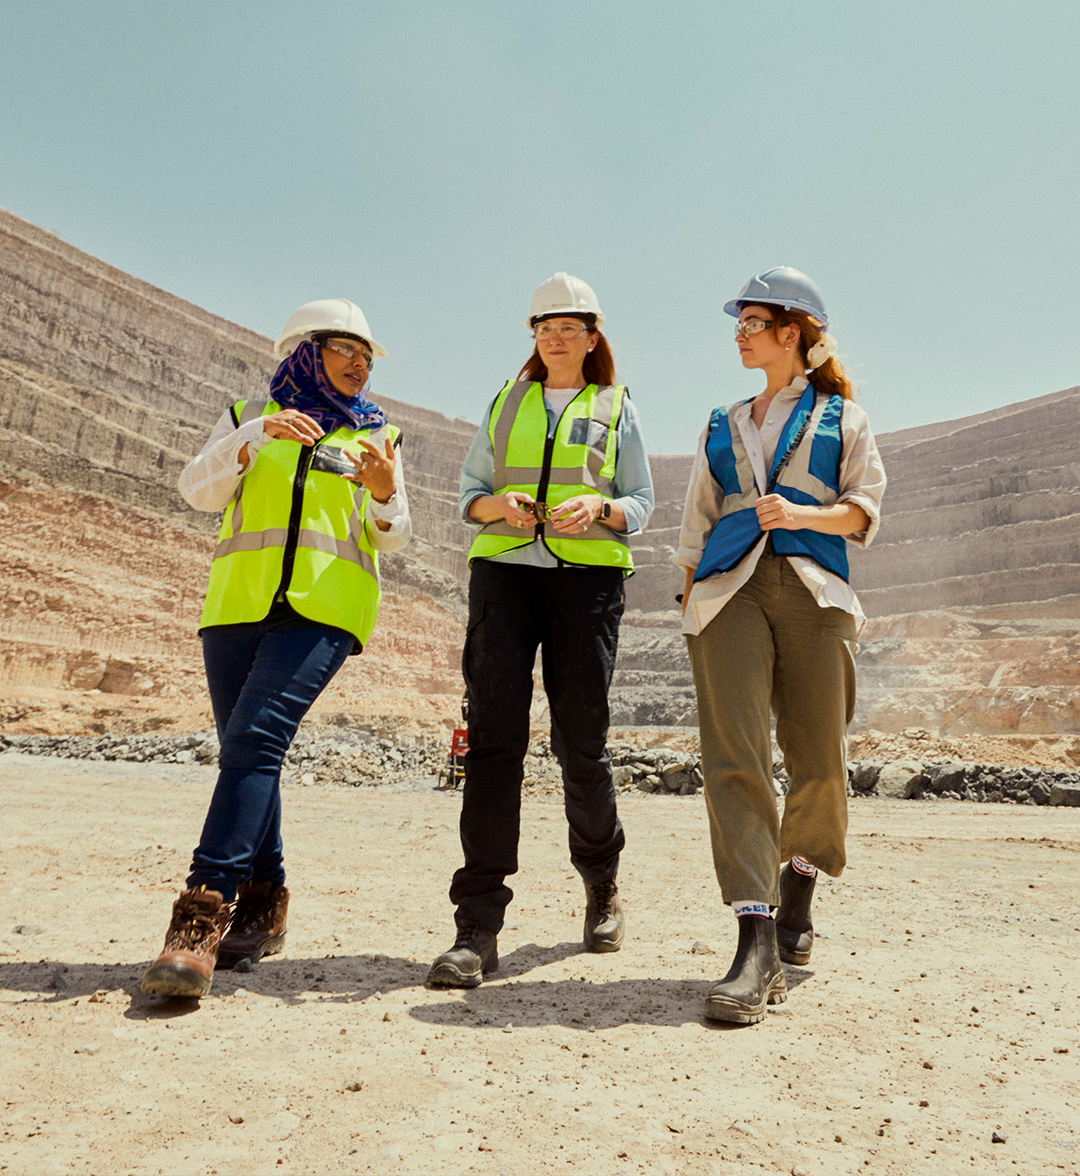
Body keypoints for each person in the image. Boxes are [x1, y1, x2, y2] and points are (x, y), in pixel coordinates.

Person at [141, 298, 410, 998]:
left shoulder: (377, 433)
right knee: (246, 750)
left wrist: (383, 494)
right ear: (300, 352)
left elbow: (395, 534)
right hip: (237, 607)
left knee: (256, 739)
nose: (359, 363)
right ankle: (268, 896)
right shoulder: (243, 419)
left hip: (324, 611)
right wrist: (256, 436)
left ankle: (199, 918)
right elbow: (197, 493)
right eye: (343, 348)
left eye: (366, 354)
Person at [427, 273, 654, 989]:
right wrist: (499, 506)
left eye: (570, 327)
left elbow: (641, 500)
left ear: (593, 337)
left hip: (585, 584)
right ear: (534, 336)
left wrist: (603, 508)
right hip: (505, 577)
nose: (556, 337)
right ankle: (477, 927)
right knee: (494, 742)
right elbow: (468, 497)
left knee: (579, 745)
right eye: (544, 327)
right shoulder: (507, 399)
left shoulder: (617, 406)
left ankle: (601, 884)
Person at [676, 267, 886, 1025]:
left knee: (819, 758)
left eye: (751, 323)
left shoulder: (842, 419)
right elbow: (699, 515)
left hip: (814, 594)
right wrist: (690, 593)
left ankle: (800, 878)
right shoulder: (721, 421)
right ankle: (755, 939)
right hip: (727, 590)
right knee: (732, 757)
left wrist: (803, 512)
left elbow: (864, 511)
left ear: (790, 333)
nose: (740, 335)